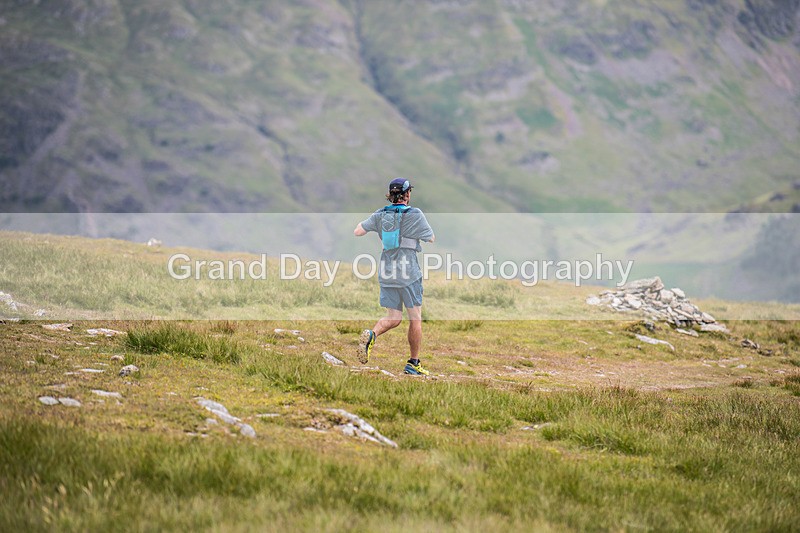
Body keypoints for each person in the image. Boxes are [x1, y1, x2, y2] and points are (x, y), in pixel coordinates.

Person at [353, 178, 435, 375]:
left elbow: (358, 231)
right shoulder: (415, 214)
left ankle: (372, 334)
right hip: (408, 272)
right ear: (407, 194)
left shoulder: (381, 214)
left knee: (394, 317)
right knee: (415, 318)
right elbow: (431, 237)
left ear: (391, 195)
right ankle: (413, 363)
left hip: (387, 270)